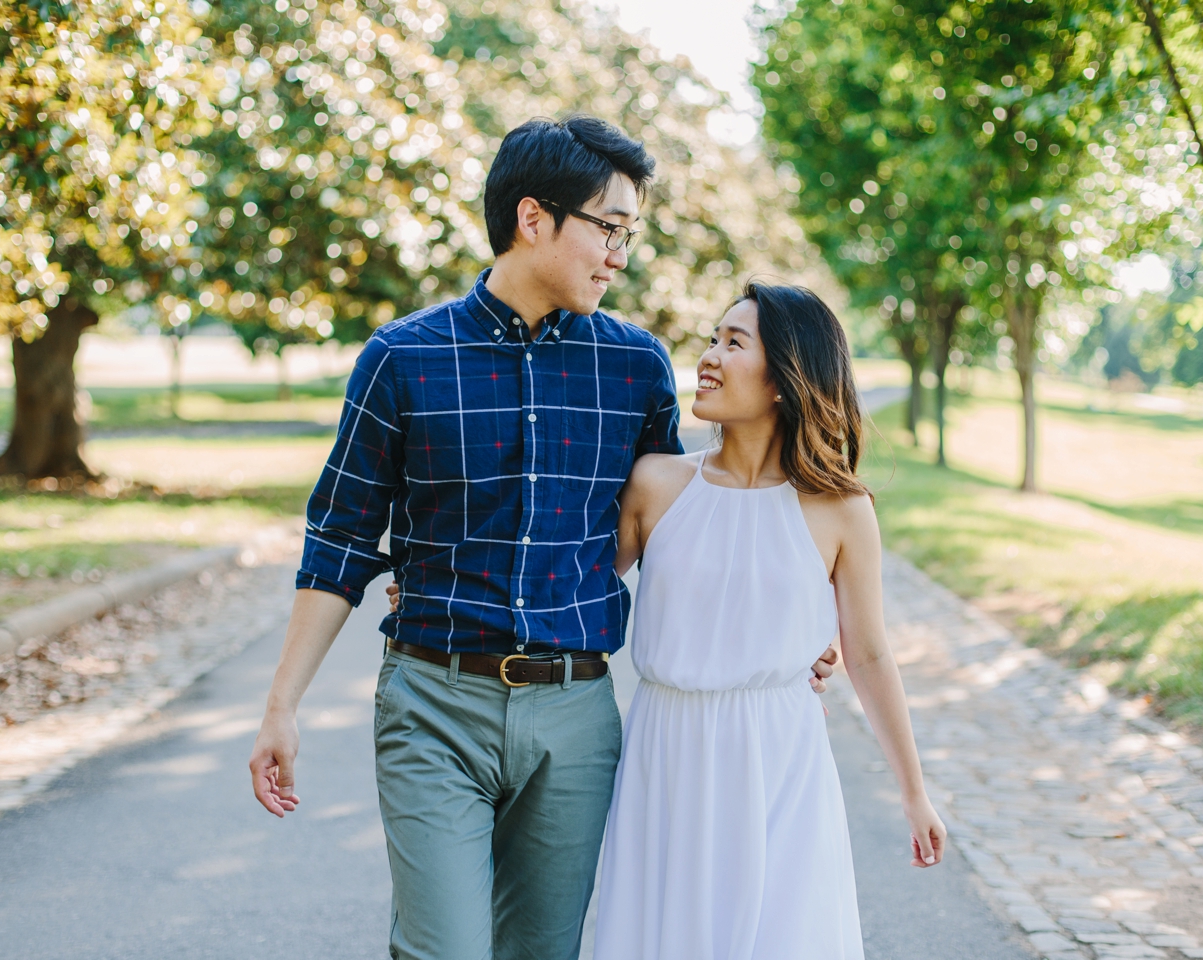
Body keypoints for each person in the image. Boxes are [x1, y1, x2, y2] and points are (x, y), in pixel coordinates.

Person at [246, 116, 842, 960]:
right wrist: (282, 706)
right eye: (608, 228)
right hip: (432, 704)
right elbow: (340, 537)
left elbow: (683, 530)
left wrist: (797, 633)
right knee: (443, 949)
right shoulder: (402, 359)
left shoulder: (634, 369)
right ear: (534, 219)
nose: (620, 256)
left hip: (575, 717)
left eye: (629, 234)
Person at [590, 281, 947, 960]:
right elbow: (567, 591)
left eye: (734, 342)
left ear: (786, 377)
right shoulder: (657, 485)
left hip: (780, 755)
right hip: (667, 752)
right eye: (712, 339)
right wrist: (437, 586)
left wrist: (914, 794)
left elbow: (869, 654)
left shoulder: (841, 510)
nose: (709, 357)